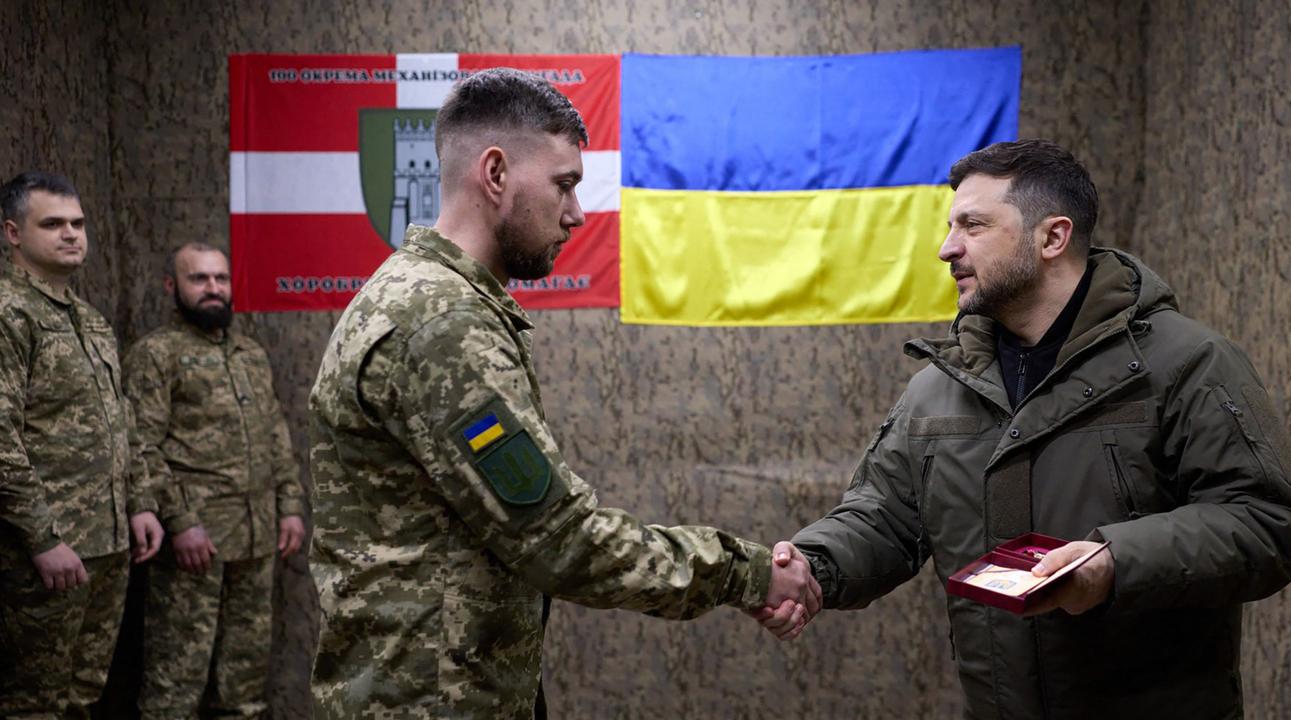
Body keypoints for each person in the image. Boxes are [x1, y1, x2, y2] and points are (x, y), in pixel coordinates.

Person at [308, 68, 819, 719]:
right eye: (564, 184)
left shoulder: (421, 296)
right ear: (495, 173)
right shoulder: (441, 322)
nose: (576, 213)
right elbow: (559, 539)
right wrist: (746, 573)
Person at [759, 140, 1291, 719]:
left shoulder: (1186, 363)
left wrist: (1113, 563)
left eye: (973, 225)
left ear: (1052, 238)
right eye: (951, 227)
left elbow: (1272, 519)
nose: (947, 248)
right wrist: (813, 566)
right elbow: (882, 519)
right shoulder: (936, 388)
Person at [0, 171, 165, 717]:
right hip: (44, 550)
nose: (71, 234)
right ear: (13, 233)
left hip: (107, 541)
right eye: (53, 224)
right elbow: (1, 438)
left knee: (82, 695)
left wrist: (140, 503)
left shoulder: (87, 320)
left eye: (77, 223)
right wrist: (41, 538)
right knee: (34, 701)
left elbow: (122, 420)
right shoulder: (9, 313)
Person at [122, 242, 306, 718]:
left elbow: (275, 433)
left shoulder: (249, 353)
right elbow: (140, 445)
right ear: (172, 286)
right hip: (195, 542)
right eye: (199, 279)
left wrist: (289, 506)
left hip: (257, 536)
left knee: (244, 681)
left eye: (220, 279)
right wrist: (180, 521)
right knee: (175, 680)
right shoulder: (156, 354)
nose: (212, 289)